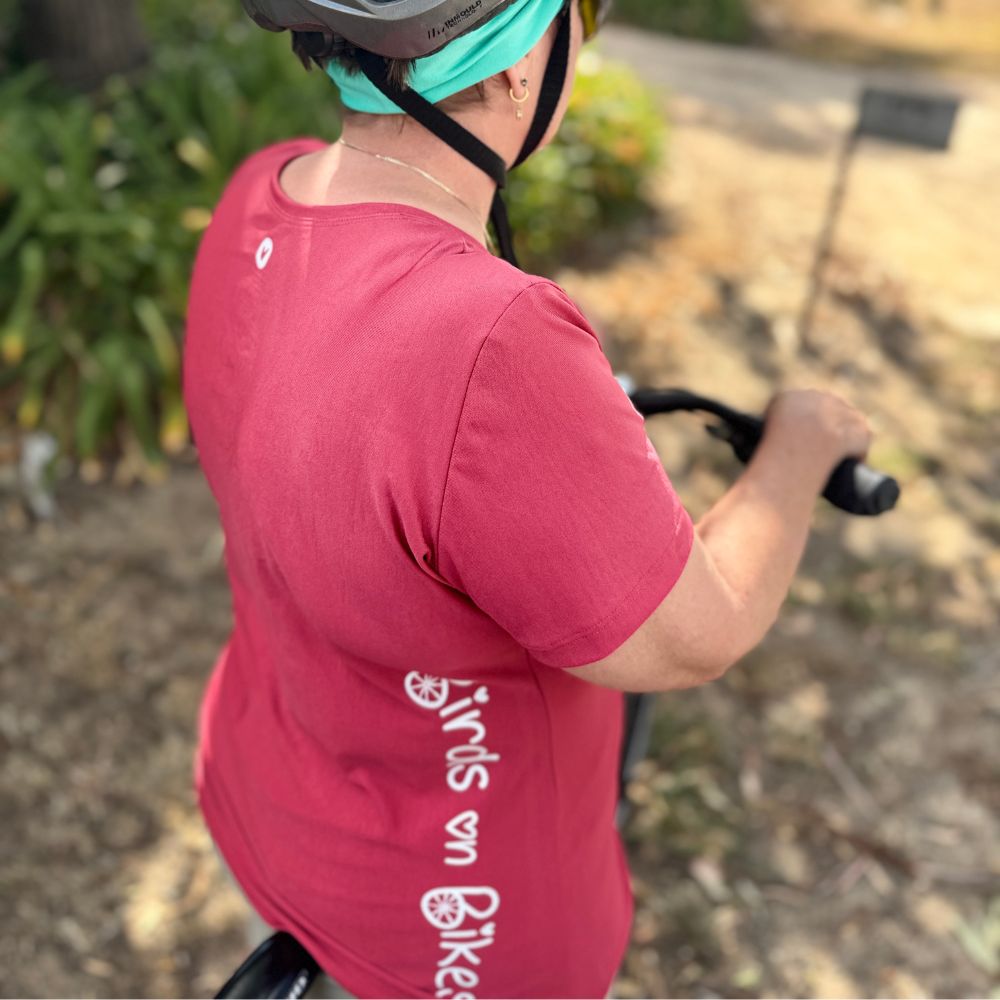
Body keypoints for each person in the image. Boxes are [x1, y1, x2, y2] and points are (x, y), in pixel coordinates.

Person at [181, 1, 873, 997]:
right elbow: (696, 631)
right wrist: (799, 449)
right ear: (516, 66)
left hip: (262, 807)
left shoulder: (264, 189)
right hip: (455, 936)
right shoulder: (487, 340)